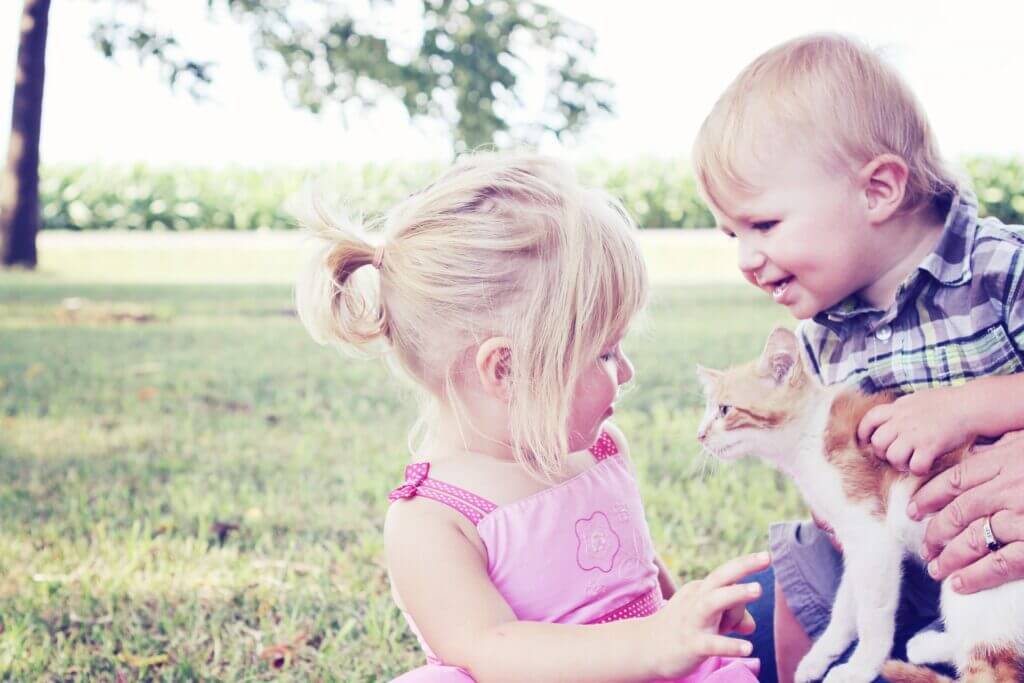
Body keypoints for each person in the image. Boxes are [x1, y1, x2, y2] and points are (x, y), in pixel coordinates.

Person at [294, 153, 769, 682]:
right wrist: (650, 644)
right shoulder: (432, 520)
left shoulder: (600, 451)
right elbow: (494, 651)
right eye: (604, 353)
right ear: (507, 369)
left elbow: (642, 575)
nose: (627, 372)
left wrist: (687, 622)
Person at [691, 32, 1024, 682]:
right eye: (732, 235)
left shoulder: (1000, 271)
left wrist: (966, 407)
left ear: (877, 191)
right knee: (797, 566)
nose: (746, 260)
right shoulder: (822, 337)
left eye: (763, 225)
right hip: (910, 554)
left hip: (1002, 552)